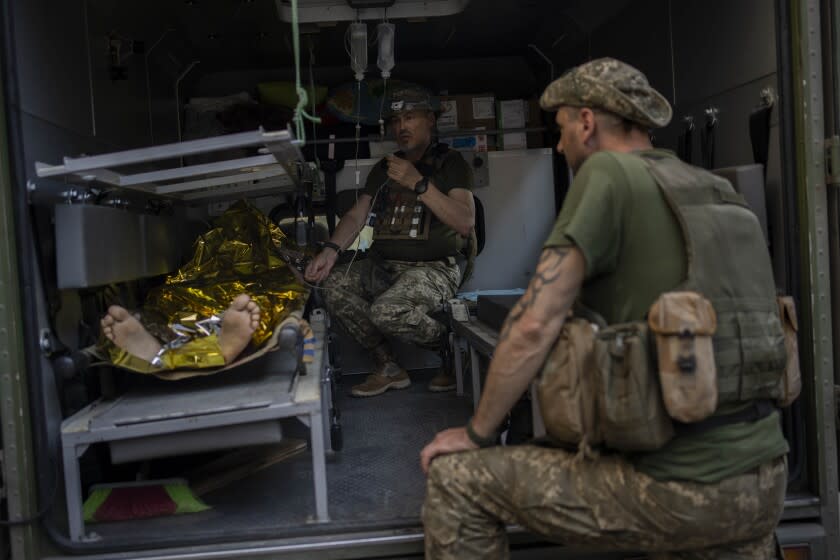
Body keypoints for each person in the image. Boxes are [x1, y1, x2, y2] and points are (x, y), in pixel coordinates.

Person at [419, 58, 789, 559]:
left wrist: (476, 433)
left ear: (587, 123)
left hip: (679, 488)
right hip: (764, 481)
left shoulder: (607, 173)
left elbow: (534, 323)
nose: (559, 144)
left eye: (562, 128)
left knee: (456, 480)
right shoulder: (716, 188)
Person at [305, 87, 476, 398]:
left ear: (430, 121)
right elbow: (357, 216)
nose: (401, 127)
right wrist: (330, 251)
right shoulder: (385, 167)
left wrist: (417, 183)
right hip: (383, 266)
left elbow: (464, 221)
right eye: (396, 121)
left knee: (386, 311)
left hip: (432, 269)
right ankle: (388, 366)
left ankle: (451, 348)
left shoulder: (451, 163)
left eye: (410, 118)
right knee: (332, 286)